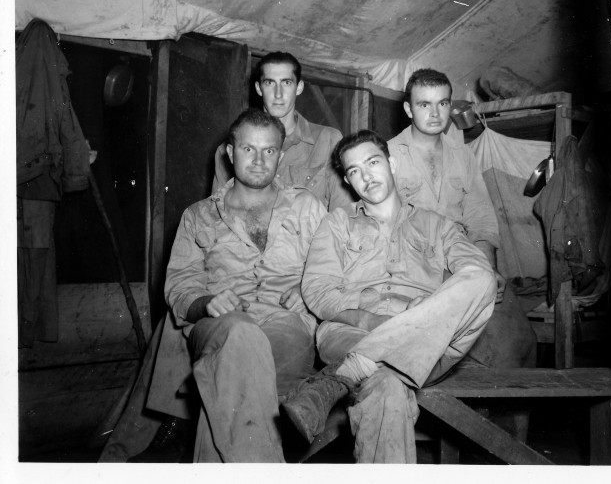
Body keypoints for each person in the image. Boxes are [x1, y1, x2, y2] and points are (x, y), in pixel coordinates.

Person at [282, 130, 497, 463]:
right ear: (348, 182)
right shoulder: (337, 223)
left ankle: (347, 372)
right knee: (387, 386)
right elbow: (319, 291)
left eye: (372, 162)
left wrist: (425, 313)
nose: (366, 176)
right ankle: (361, 363)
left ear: (391, 163)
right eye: (354, 171)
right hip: (351, 332)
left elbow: (476, 274)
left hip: (430, 339)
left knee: (483, 277)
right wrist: (373, 319)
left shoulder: (437, 225)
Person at [152, 109, 326, 462]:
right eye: (249, 150)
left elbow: (339, 272)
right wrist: (206, 303)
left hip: (288, 328)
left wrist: (312, 293)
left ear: (281, 155)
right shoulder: (198, 215)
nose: (259, 160)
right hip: (218, 326)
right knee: (237, 339)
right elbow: (180, 285)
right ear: (230, 153)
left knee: (224, 376)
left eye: (269, 151)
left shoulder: (307, 207)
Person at [388, 68, 536, 370]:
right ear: (408, 109)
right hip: (412, 268)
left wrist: (488, 269)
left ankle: (508, 414)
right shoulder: (388, 155)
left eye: (442, 103)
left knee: (518, 340)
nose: (434, 113)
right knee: (463, 352)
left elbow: (480, 217)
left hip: (462, 261)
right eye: (424, 104)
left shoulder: (462, 156)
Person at [211, 51, 353, 210]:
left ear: (299, 87)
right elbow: (218, 214)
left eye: (286, 83)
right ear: (258, 88)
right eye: (270, 83)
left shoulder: (328, 140)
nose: (278, 94)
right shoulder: (229, 148)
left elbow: (343, 214)